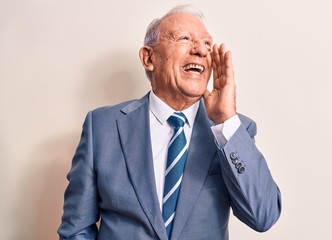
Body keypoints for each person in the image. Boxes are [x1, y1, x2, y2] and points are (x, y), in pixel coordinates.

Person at [58, 5, 281, 240]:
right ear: (149, 57)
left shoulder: (234, 131)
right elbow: (76, 229)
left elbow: (263, 216)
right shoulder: (102, 127)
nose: (201, 51)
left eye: (207, 44)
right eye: (185, 38)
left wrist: (225, 120)